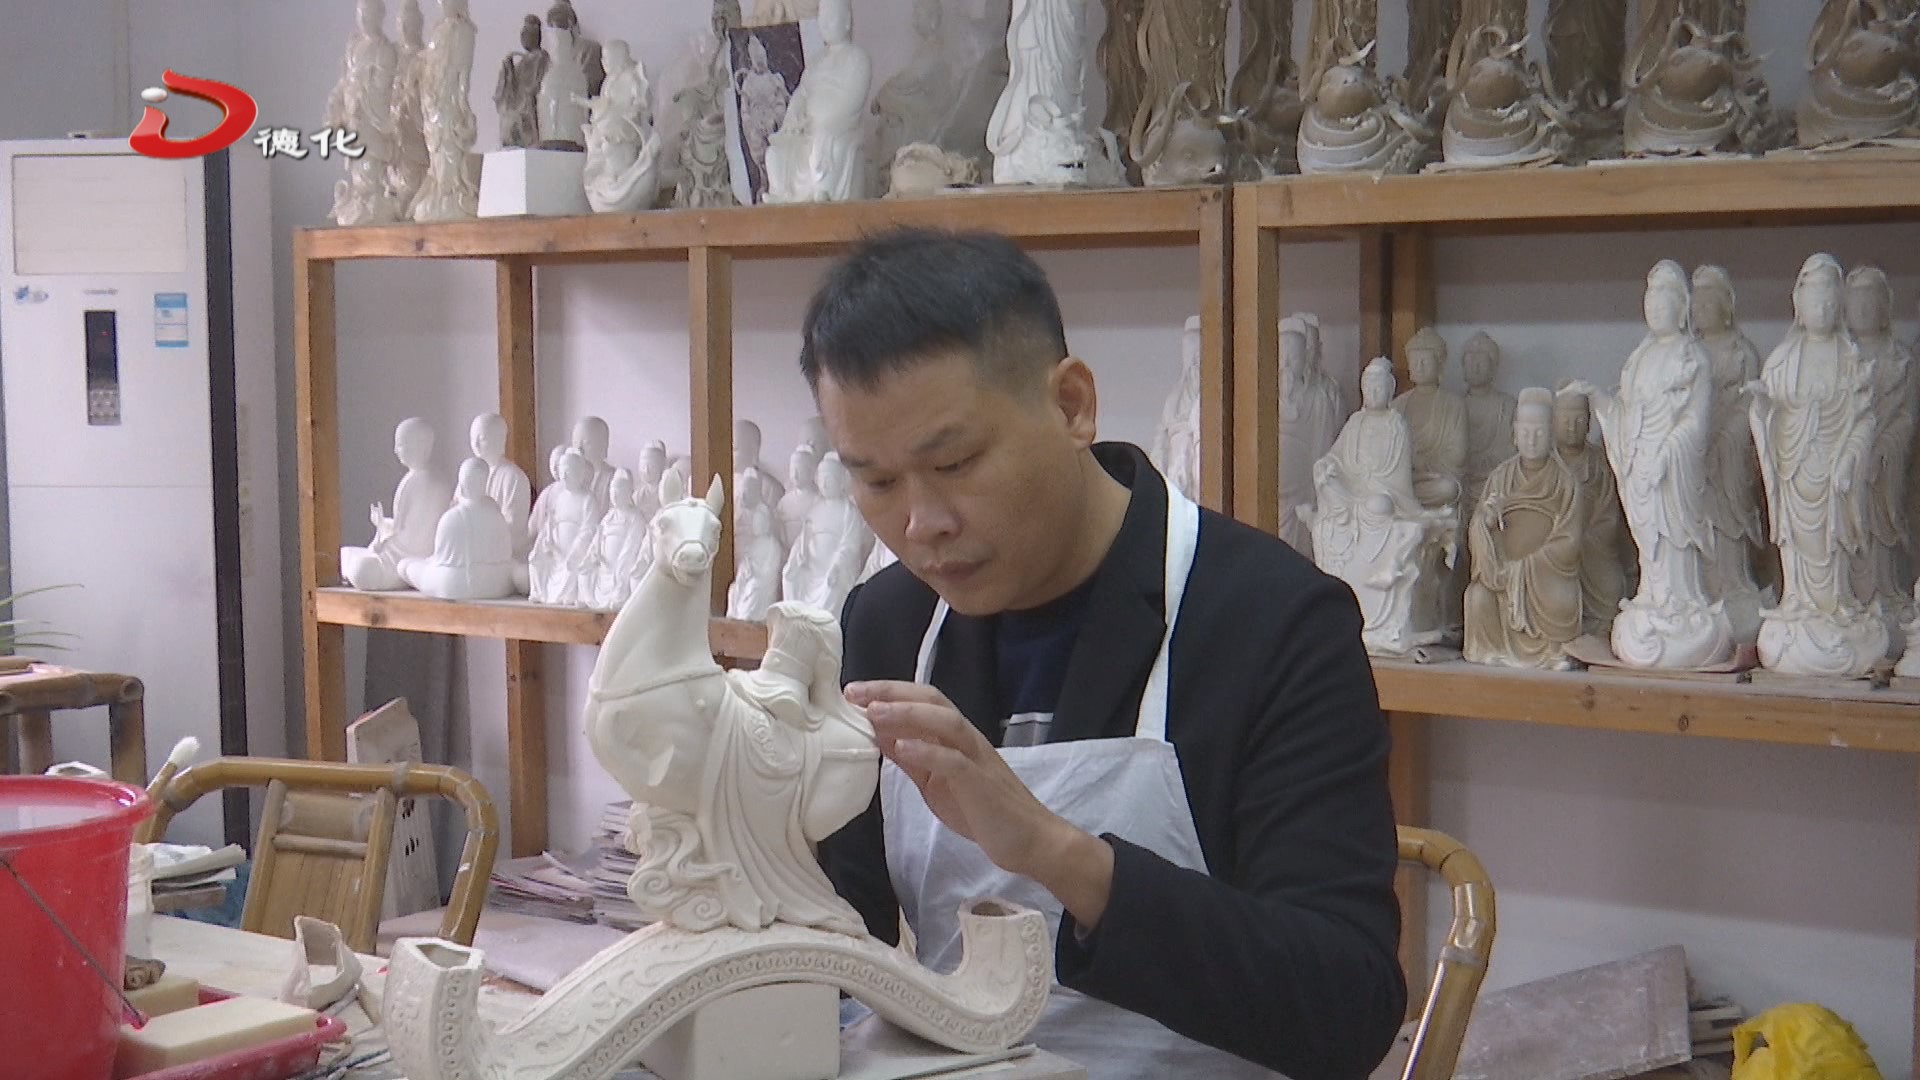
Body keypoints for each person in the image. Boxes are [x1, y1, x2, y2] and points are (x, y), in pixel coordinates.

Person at [806, 228, 1404, 1079]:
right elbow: (834, 947)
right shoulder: (888, 623)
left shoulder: (1271, 621)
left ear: (1072, 404)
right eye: (875, 481)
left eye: (956, 462)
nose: (921, 523)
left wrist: (1054, 852)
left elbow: (1347, 1009)